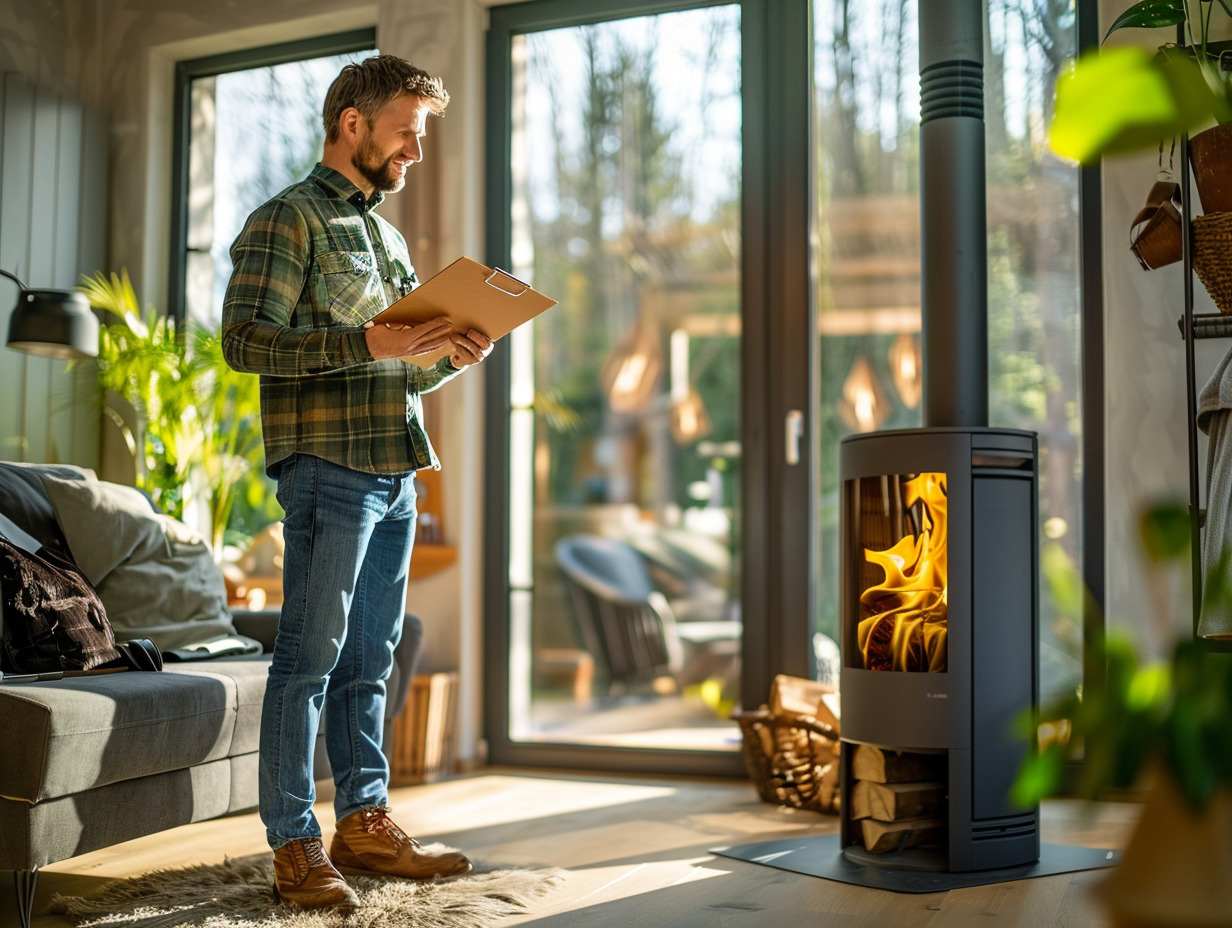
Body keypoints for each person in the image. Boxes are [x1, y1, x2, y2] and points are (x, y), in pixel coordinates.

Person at [221, 55, 491, 912]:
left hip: (396, 469)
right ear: (353, 124)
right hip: (327, 472)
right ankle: (294, 843)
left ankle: (364, 824)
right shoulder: (286, 220)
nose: (414, 151)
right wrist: (366, 345)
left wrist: (450, 355)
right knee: (307, 659)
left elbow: (399, 372)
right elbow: (245, 344)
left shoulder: (389, 238)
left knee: (370, 660)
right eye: (406, 132)